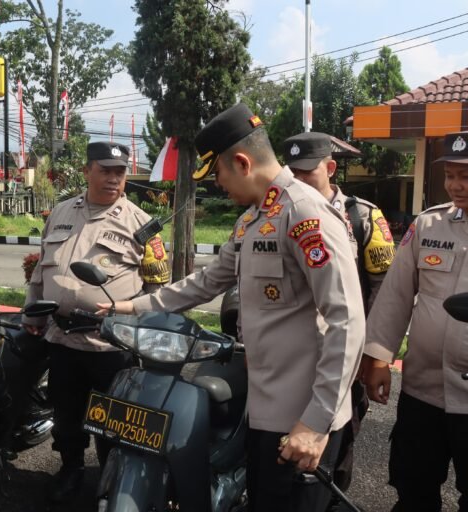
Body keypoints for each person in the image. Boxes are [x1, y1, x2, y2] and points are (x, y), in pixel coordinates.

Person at [100, 104, 366, 512]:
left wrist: (315, 423)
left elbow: (346, 320)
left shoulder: (305, 213)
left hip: (300, 415)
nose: (218, 184)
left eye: (218, 173)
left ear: (242, 163)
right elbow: (205, 282)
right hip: (261, 407)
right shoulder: (253, 219)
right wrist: (130, 306)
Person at [22, 141, 170, 504]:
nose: (114, 178)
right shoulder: (60, 213)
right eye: (105, 171)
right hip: (63, 339)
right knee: (66, 413)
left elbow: (157, 288)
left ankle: (111, 478)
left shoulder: (141, 224)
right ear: (87, 171)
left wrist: (139, 330)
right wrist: (32, 313)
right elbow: (41, 272)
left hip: (111, 346)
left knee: (112, 420)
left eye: (120, 172)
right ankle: (71, 468)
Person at [283, 131, 396, 506]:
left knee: (339, 439)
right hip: (293, 355)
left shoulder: (362, 216)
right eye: (293, 173)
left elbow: (383, 290)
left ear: (330, 168)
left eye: (308, 172)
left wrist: (373, 354)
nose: (299, 181)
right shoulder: (278, 211)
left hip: (344, 353)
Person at [360, 130, 468, 512]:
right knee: (413, 488)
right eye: (450, 175)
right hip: (423, 389)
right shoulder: (428, 225)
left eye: (465, 176)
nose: (455, 185)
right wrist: (378, 357)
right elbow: (396, 295)